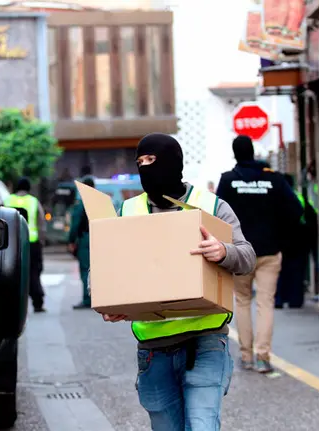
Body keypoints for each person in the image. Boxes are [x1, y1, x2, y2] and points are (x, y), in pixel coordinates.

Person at [101, 133, 256, 430]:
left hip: (206, 341)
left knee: (202, 425)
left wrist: (224, 251)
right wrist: (109, 302)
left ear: (174, 162)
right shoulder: (129, 212)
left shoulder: (211, 206)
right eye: (141, 162)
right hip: (153, 347)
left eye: (153, 160)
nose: (146, 167)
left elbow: (247, 257)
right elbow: (109, 266)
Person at [215, 135, 303, 373]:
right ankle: (263, 357)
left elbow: (215, 215)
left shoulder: (228, 180)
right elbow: (296, 209)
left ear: (235, 154)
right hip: (269, 251)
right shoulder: (272, 179)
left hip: (240, 253)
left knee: (242, 302)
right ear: (253, 152)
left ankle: (246, 357)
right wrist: (279, 233)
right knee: (265, 303)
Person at [4, 177, 46, 312]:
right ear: (28, 188)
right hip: (32, 243)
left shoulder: (8, 200)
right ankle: (37, 303)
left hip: (11, 244)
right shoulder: (33, 201)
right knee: (34, 273)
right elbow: (41, 224)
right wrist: (41, 242)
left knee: (12, 273)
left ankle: (12, 305)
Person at [275, 174, 309, 309]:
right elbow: (305, 217)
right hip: (297, 240)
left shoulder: (275, 197)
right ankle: (295, 300)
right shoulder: (298, 197)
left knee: (279, 271)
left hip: (279, 240)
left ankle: (279, 299)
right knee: (296, 271)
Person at [67, 176, 94, 309]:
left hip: (85, 239)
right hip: (99, 238)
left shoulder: (82, 203)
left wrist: (71, 241)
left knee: (85, 270)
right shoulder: (99, 200)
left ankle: (87, 299)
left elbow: (75, 224)